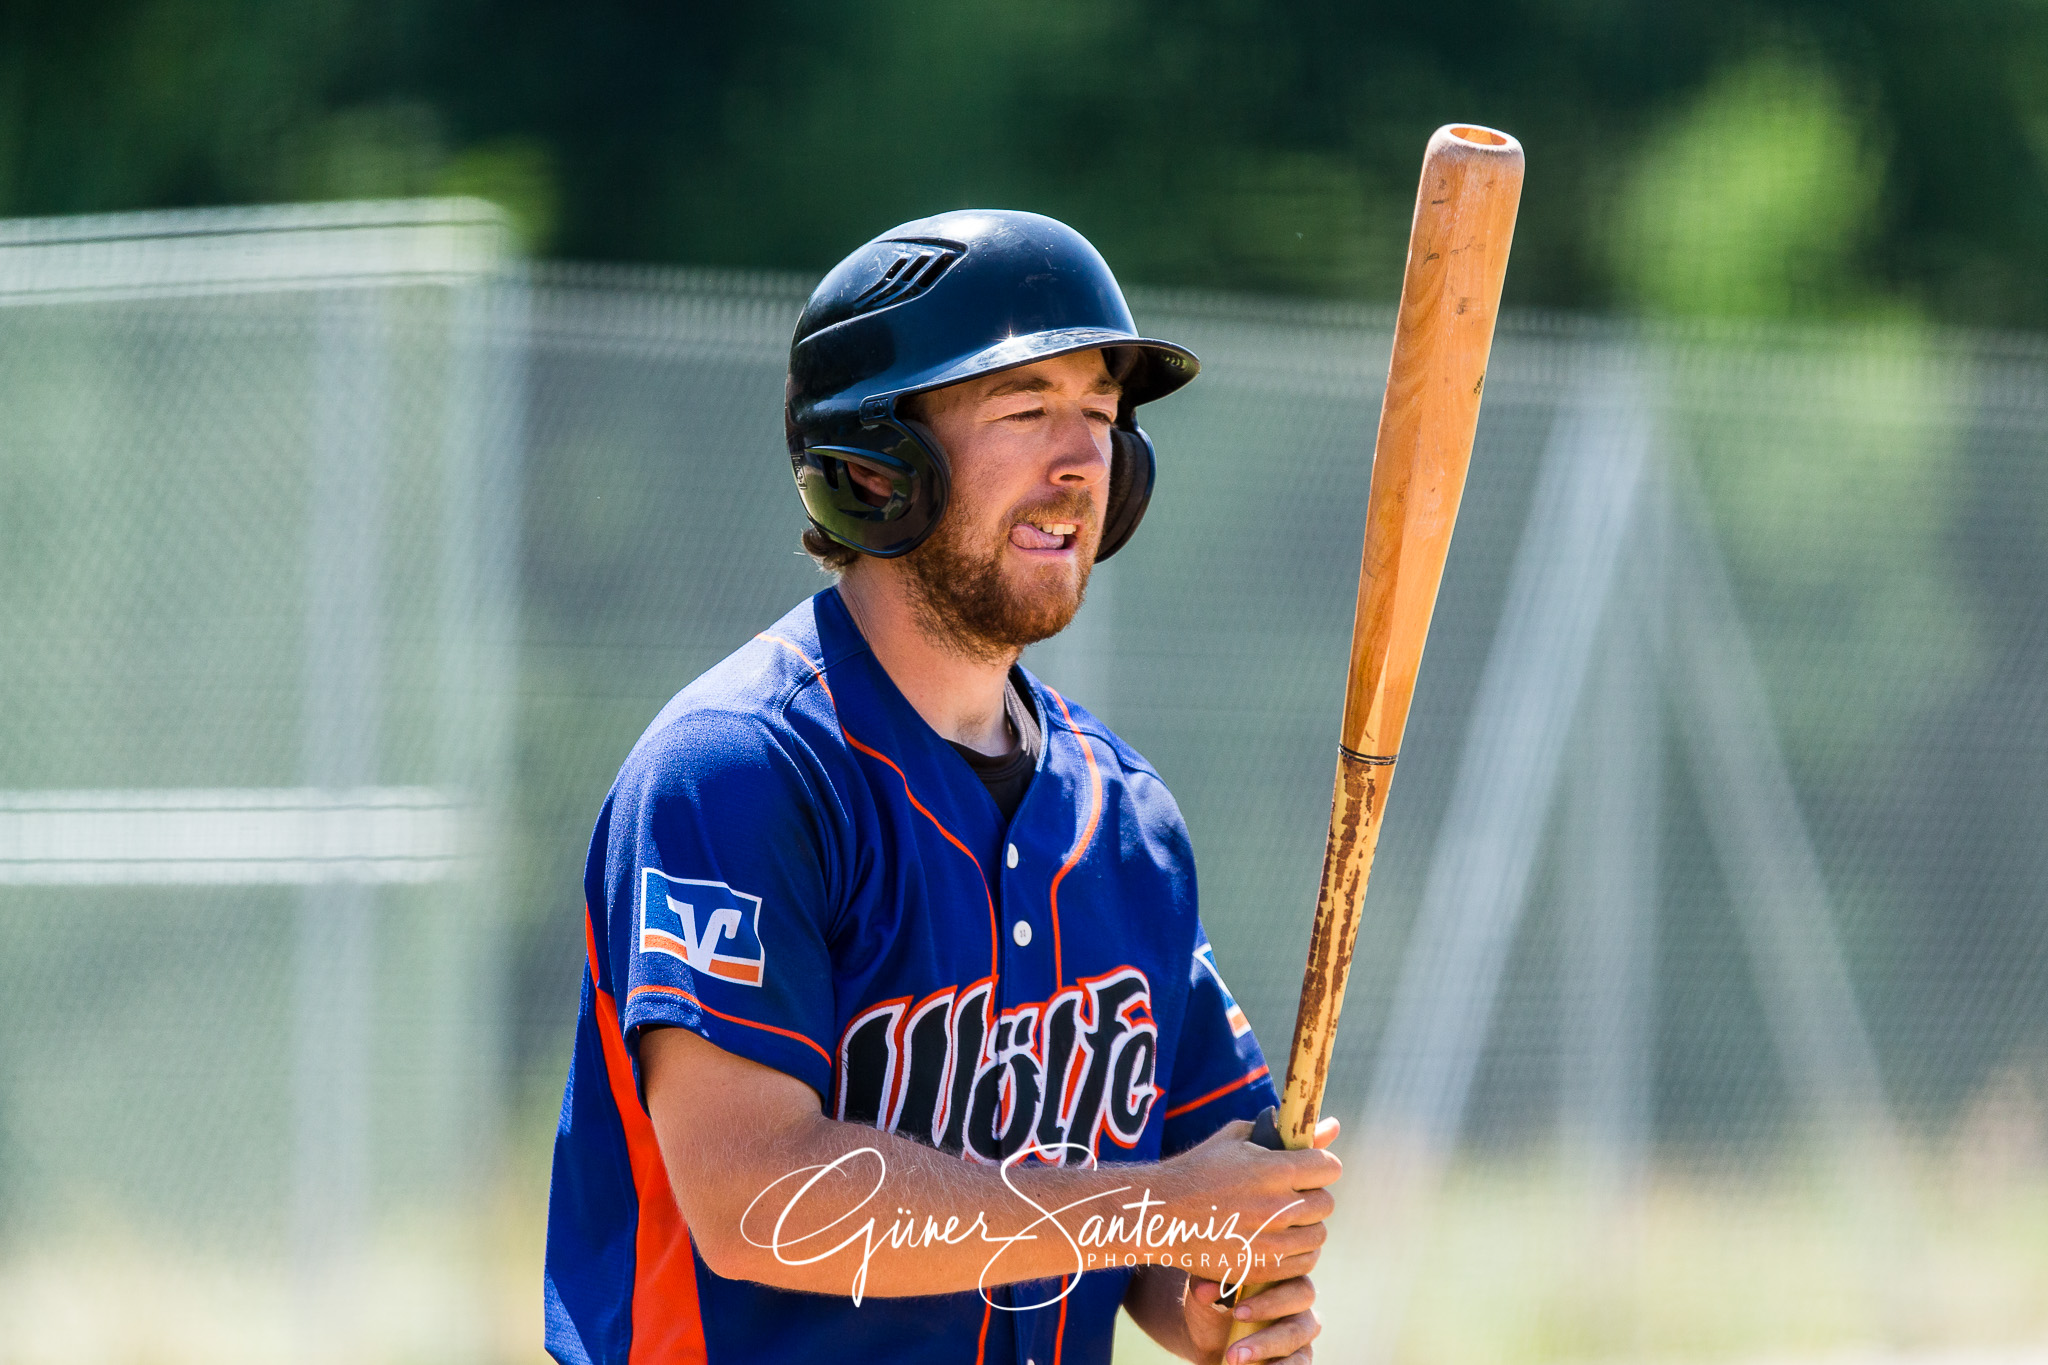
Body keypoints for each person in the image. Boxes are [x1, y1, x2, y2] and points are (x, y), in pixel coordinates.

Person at [544, 209, 1341, 1365]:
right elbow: (756, 1200)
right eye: (1025, 412)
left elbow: (1171, 1222)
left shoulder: (1128, 826)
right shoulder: (742, 770)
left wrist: (1207, 1299)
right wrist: (1166, 1207)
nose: (1080, 460)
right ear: (877, 466)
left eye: (1101, 417)